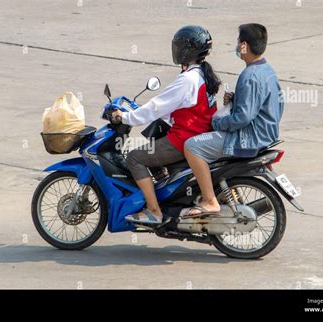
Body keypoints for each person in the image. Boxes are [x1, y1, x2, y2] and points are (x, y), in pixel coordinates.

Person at [111, 25, 221, 225]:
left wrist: (125, 117)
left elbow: (156, 106)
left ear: (188, 49)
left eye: (178, 46)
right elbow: (176, 107)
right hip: (200, 133)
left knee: (135, 158)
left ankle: (154, 211)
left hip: (184, 138)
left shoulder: (187, 79)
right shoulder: (204, 75)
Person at [182, 23, 284, 217]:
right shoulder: (267, 70)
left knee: (192, 146)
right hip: (266, 133)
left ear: (244, 46)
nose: (236, 46)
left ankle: (209, 200)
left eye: (238, 42)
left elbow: (243, 117)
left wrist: (217, 123)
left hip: (248, 138)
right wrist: (237, 99)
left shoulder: (249, 76)